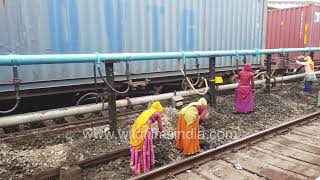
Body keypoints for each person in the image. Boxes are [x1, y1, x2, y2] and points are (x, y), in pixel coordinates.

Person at [129, 101, 163, 175]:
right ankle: (144, 167)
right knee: (145, 148)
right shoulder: (158, 113)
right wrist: (161, 131)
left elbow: (138, 120)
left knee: (138, 147)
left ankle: (136, 165)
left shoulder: (147, 111)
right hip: (145, 130)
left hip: (136, 128)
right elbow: (160, 127)